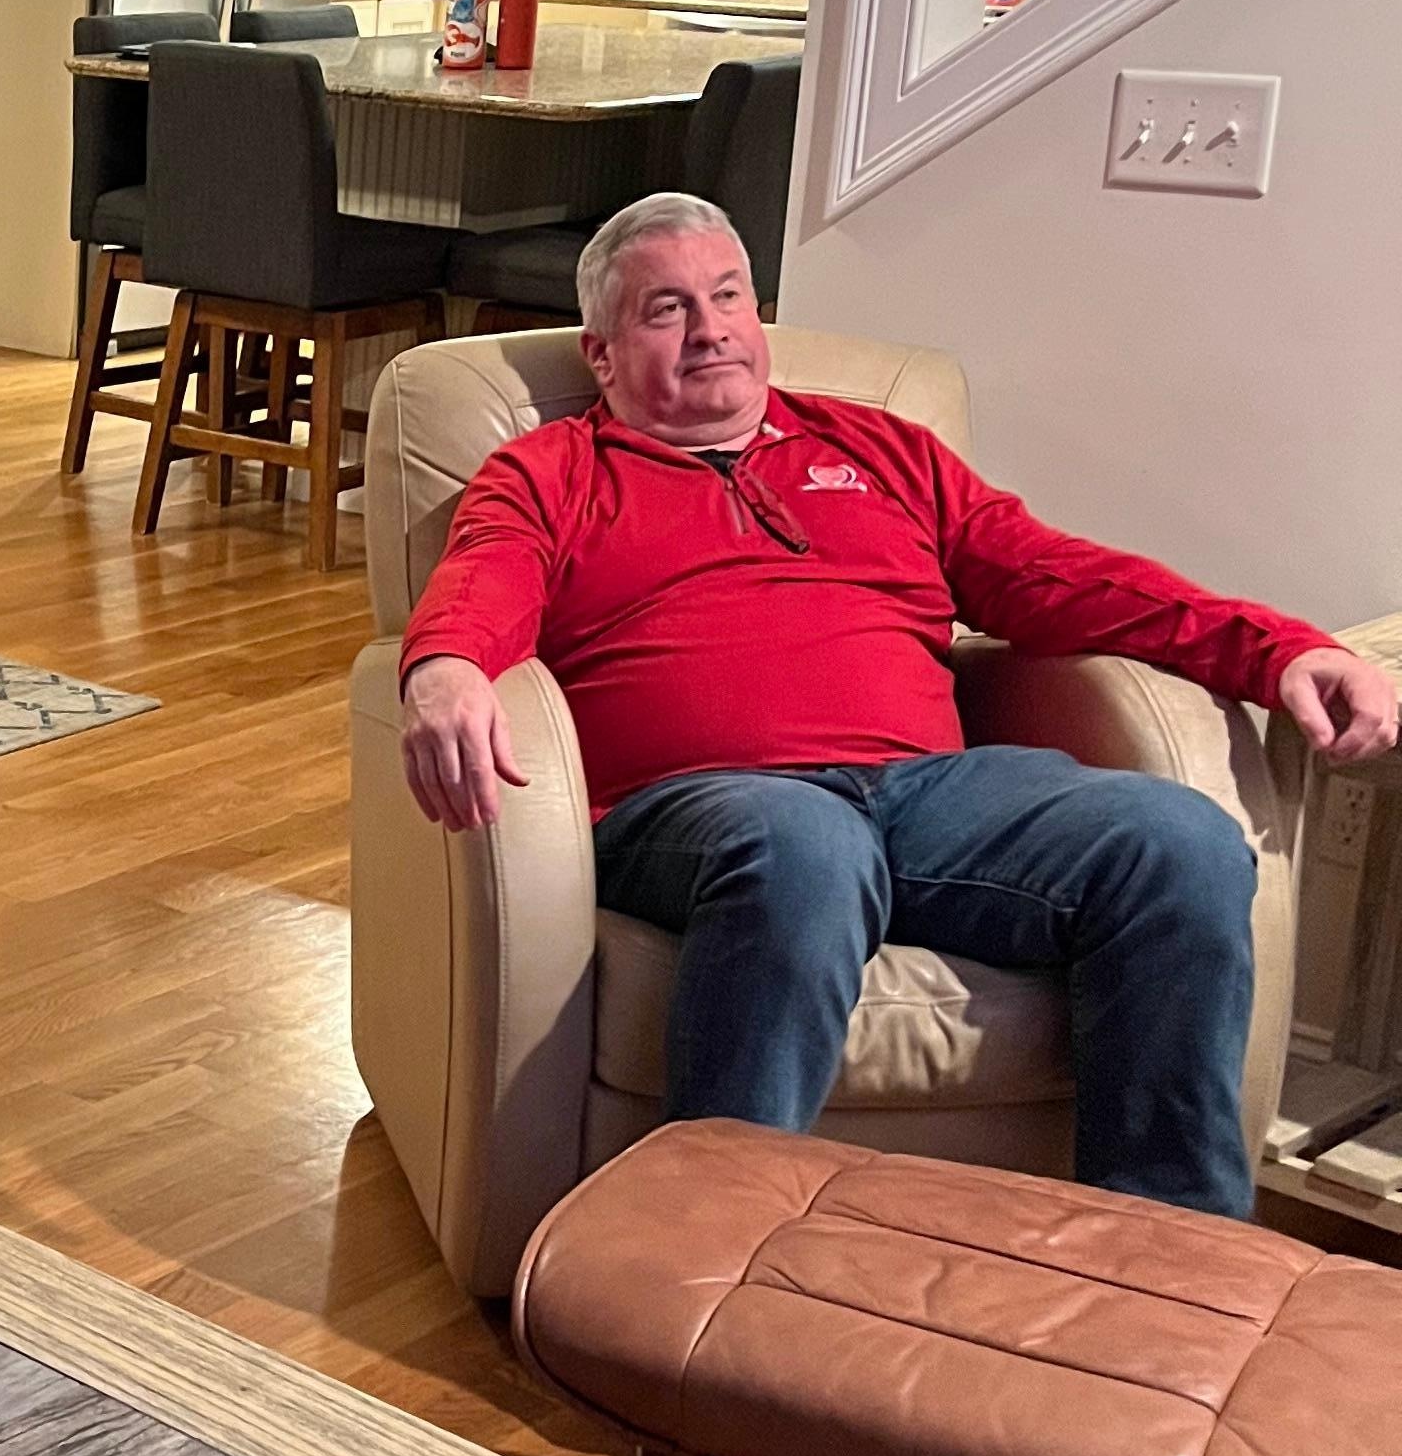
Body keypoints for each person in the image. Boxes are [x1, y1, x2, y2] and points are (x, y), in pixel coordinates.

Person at [397, 193, 1396, 1216]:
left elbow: (1059, 576)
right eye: (666, 309)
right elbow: (489, 577)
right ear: (602, 356)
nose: (710, 330)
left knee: (1178, 842)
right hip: (702, 807)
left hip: (929, 795)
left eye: (728, 296)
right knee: (803, 844)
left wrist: (1276, 650)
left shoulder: (883, 450)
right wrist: (445, 666)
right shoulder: (553, 471)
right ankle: (703, 1244)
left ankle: (1165, 1252)